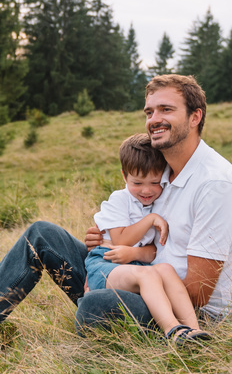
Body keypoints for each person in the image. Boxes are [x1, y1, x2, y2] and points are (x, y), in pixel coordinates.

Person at [0, 74, 232, 360]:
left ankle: (178, 338)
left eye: (166, 110)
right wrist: (109, 246)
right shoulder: (164, 175)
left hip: (183, 311)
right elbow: (141, 233)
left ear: (195, 116)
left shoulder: (214, 183)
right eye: (149, 112)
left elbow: (200, 293)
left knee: (97, 305)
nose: (154, 119)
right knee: (42, 234)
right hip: (135, 276)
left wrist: (124, 279)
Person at [85, 132, 211, 345]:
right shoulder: (120, 200)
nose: (146, 190)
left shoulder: (158, 202)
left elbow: (154, 249)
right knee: (148, 274)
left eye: (154, 182)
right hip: (105, 263)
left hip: (137, 265)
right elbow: (120, 240)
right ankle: (173, 330)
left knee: (165, 270)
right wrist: (151, 219)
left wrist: (135, 253)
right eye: (137, 182)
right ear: (124, 176)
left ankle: (194, 331)